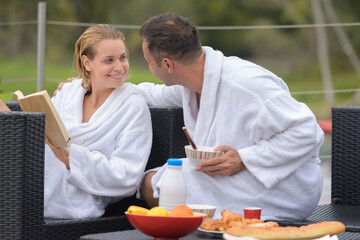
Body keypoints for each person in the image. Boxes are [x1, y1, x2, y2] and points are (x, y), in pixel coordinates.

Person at [57, 13, 324, 221]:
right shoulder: (194, 82)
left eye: (148, 62)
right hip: (234, 175)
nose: (146, 68)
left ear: (167, 65)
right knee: (156, 181)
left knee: (158, 184)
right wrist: (91, 83)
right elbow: (154, 94)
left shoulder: (247, 85)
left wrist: (244, 159)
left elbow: (307, 131)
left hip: (284, 185)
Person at [39, 24, 152, 219]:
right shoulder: (68, 93)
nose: (120, 67)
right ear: (87, 63)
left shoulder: (133, 107)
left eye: (122, 58)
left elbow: (126, 176)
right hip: (44, 174)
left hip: (81, 195)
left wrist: (69, 157)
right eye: (109, 60)